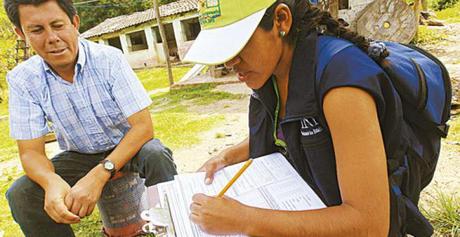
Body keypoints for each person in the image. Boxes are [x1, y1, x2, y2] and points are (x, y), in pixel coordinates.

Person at [184, 0, 436, 236]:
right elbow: (284, 129)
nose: (230, 62)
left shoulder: (341, 85)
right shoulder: (270, 72)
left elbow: (370, 224)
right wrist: (227, 155)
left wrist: (243, 219)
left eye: (236, 45)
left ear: (281, 20)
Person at [3, 0, 177, 236]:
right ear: (21, 33)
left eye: (58, 25)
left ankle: (177, 226)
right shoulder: (23, 79)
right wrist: (50, 181)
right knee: (21, 193)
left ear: (75, 23)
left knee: (156, 154)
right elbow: (30, 152)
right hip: (79, 155)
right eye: (37, 30)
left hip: (127, 147)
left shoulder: (109, 60)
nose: (52, 38)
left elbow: (143, 128)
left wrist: (100, 173)